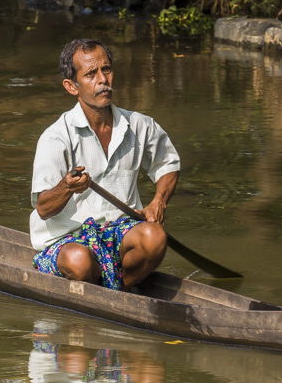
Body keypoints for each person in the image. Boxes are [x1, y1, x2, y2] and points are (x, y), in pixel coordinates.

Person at [30, 39, 180, 292]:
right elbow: (43, 209)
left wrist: (158, 202)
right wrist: (67, 187)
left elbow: (168, 164)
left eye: (107, 69)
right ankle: (114, 287)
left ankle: (119, 289)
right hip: (68, 239)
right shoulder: (55, 137)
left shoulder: (140, 125)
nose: (103, 80)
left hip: (121, 231)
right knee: (79, 261)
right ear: (71, 86)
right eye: (91, 74)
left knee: (154, 236)